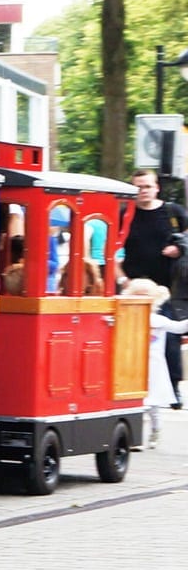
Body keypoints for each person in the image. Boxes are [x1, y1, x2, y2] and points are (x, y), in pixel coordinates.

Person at [121, 171, 188, 407]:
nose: (143, 190)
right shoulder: (125, 214)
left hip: (166, 290)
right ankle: (131, 389)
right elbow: (113, 248)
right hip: (133, 291)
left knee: (169, 341)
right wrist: (122, 280)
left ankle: (173, 390)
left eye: (147, 186)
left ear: (157, 187)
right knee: (129, 342)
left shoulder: (173, 213)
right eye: (138, 186)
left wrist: (180, 248)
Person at [122, 279, 188, 443]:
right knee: (137, 403)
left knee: (153, 405)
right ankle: (135, 438)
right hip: (132, 365)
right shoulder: (126, 318)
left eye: (145, 297)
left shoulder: (157, 320)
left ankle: (155, 430)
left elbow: (178, 327)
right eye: (136, 296)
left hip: (154, 366)